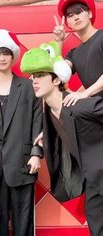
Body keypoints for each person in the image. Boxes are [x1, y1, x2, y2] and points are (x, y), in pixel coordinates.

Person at [21, 41, 103, 236]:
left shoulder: (80, 106)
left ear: (57, 80)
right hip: (93, 180)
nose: (35, 81)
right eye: (33, 76)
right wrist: (47, 136)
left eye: (40, 75)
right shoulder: (50, 111)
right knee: (95, 223)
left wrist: (88, 93)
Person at [0, 29, 43, 236]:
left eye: (6, 52)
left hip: (23, 161)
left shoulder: (28, 86)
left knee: (23, 217)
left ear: (13, 56)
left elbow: (38, 122)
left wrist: (36, 153)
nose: (2, 57)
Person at [53, 0, 103, 106]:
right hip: (94, 110)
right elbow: (57, 72)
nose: (76, 17)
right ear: (68, 24)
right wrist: (59, 41)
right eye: (70, 15)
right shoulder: (73, 54)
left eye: (79, 12)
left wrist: (84, 93)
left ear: (90, 13)